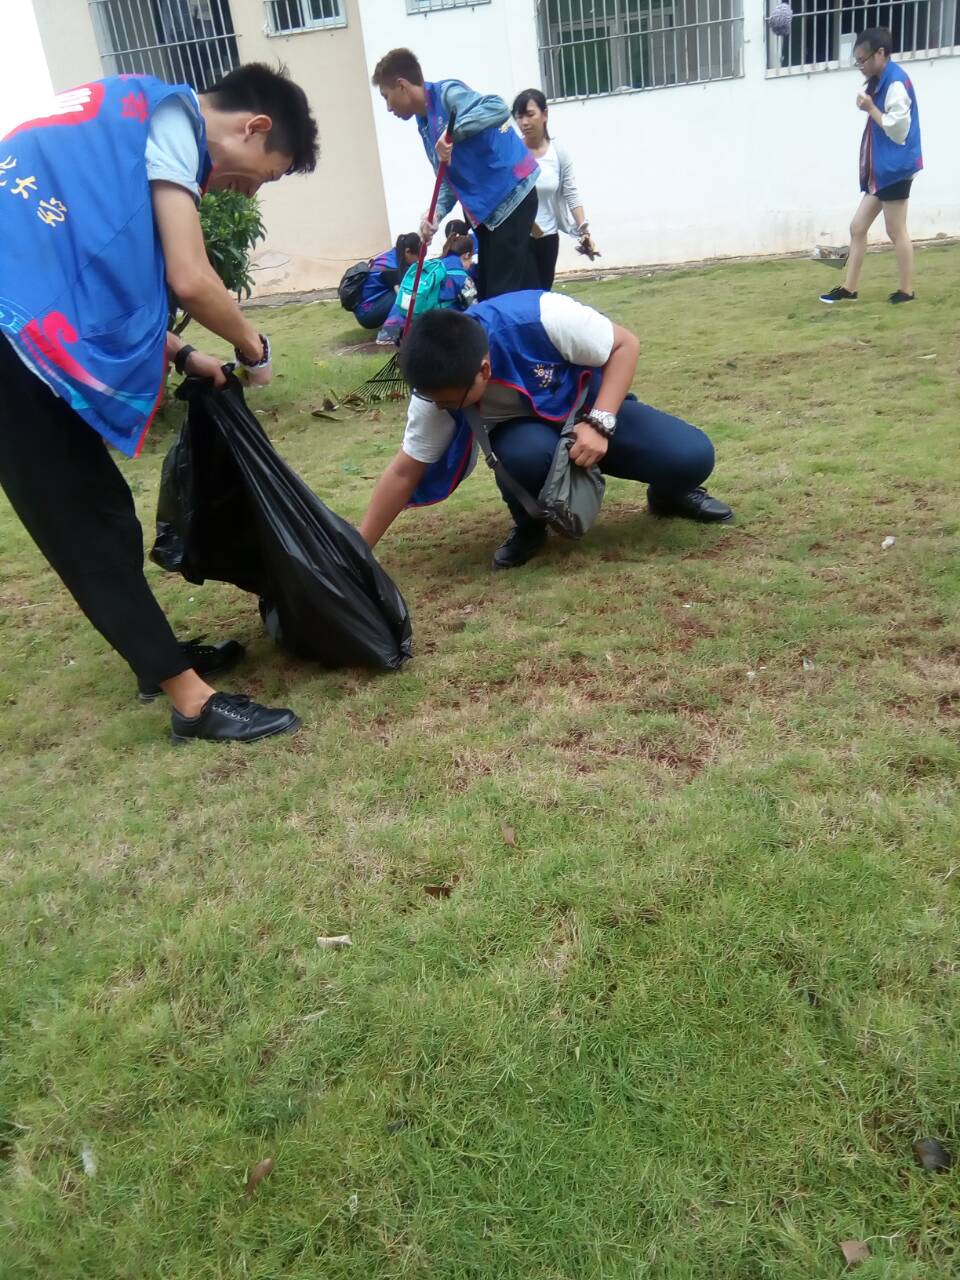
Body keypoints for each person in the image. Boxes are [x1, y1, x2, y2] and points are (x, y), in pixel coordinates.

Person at [0, 64, 319, 743]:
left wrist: (180, 355)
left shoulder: (120, 119)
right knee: (83, 522)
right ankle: (190, 701)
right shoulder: (172, 117)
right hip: (10, 334)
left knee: (102, 513)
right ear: (252, 126)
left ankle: (157, 661)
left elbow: (86, 261)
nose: (245, 189)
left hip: (21, 318)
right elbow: (192, 278)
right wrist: (253, 349)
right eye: (261, 174)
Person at [358, 291, 732, 570]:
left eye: (452, 402)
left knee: (692, 456)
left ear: (484, 371)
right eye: (437, 403)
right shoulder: (436, 388)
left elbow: (625, 344)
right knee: (520, 453)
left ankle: (669, 496)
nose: (444, 409)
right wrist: (358, 550)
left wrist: (601, 422)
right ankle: (530, 527)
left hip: (590, 414)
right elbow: (406, 470)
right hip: (530, 442)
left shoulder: (542, 318)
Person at [371, 48, 539, 301]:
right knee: (488, 293)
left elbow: (497, 108)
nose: (387, 107)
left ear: (401, 85)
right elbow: (448, 179)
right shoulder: (424, 125)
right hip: (484, 214)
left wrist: (453, 132)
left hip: (511, 196)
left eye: (386, 96)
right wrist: (435, 215)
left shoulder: (447, 94)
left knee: (502, 295)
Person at [820, 27, 922, 306]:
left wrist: (870, 109)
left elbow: (898, 130)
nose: (861, 67)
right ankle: (849, 289)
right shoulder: (881, 79)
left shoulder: (896, 83)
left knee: (895, 230)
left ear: (880, 53)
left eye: (863, 60)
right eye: (858, 62)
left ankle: (906, 291)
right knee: (857, 227)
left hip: (896, 168)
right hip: (883, 169)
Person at [512, 88, 597, 290]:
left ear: (545, 114)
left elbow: (571, 193)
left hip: (548, 238)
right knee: (529, 295)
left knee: (544, 293)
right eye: (519, 116)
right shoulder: (514, 151)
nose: (524, 122)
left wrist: (584, 230)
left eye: (530, 114)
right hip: (519, 237)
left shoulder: (558, 153)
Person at [376, 232, 476, 345]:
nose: (471, 262)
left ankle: (389, 332)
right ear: (466, 255)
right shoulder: (463, 278)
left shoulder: (433, 265)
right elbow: (474, 307)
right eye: (471, 258)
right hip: (442, 323)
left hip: (418, 316)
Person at [351, 232, 420, 330]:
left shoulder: (393, 255)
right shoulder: (391, 268)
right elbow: (402, 296)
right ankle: (389, 332)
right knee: (405, 295)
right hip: (367, 314)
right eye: (418, 256)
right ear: (408, 251)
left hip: (366, 307)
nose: (418, 260)